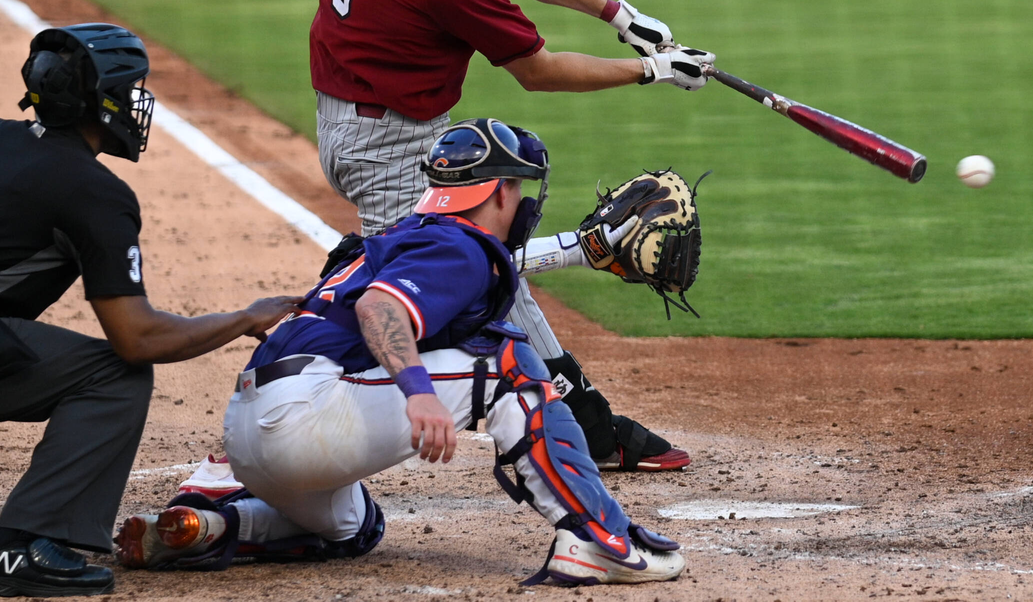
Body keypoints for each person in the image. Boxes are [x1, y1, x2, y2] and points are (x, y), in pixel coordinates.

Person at [309, 0, 712, 473]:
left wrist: (614, 10)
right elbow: (539, 70)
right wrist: (649, 70)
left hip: (359, 113)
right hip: (386, 145)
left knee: (466, 267)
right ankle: (582, 423)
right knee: (452, 281)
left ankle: (586, 415)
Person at [115, 118, 685, 587]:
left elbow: (421, 299)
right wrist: (420, 396)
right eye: (518, 186)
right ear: (499, 191)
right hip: (305, 416)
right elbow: (380, 312)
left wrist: (576, 251)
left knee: (356, 527)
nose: (522, 197)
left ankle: (209, 522)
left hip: (254, 440)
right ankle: (596, 539)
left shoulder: (403, 240)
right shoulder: (457, 245)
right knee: (508, 363)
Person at [0, 24, 299, 598]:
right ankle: (24, 547)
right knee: (115, 375)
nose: (139, 101)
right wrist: (244, 317)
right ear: (100, 99)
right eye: (132, 87)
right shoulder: (92, 191)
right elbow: (137, 338)